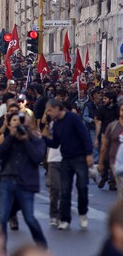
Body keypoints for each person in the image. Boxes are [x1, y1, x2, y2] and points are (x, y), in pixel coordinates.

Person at [0, 112, 48, 248]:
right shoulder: (9, 139)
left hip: (26, 182)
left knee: (29, 218)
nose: (20, 126)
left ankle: (42, 248)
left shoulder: (36, 140)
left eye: (24, 124)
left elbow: (37, 158)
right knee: (2, 218)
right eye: (16, 123)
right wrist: (11, 136)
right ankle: (0, 250)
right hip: (7, 181)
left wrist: (25, 140)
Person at [43, 98, 93, 230]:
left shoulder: (73, 118)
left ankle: (83, 213)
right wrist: (42, 138)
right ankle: (65, 219)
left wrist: (89, 153)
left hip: (79, 158)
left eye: (49, 110)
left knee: (82, 187)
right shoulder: (56, 124)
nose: (48, 113)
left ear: (56, 108)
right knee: (65, 191)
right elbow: (55, 143)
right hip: (65, 159)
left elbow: (84, 135)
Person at [101, 103, 123, 202]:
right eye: (122, 110)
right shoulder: (113, 126)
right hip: (115, 162)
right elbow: (104, 145)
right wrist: (101, 162)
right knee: (121, 186)